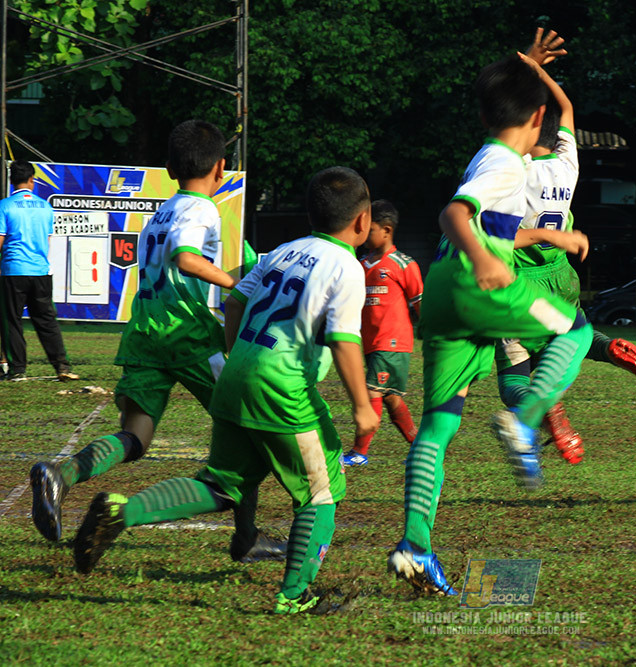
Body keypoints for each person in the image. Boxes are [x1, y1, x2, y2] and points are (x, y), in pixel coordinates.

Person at [73, 166, 379, 615]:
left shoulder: (283, 251)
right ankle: (294, 596)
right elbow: (346, 340)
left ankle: (123, 510)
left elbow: (236, 300)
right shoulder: (347, 268)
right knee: (322, 491)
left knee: (220, 484)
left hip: (236, 378)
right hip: (282, 387)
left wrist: (237, 358)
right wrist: (362, 405)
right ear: (363, 220)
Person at [387, 52, 594, 596]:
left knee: (439, 425)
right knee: (577, 333)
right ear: (536, 119)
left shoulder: (504, 159)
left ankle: (415, 545)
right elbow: (455, 213)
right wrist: (482, 261)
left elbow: (492, 223)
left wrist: (548, 236)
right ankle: (524, 419)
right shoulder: (502, 163)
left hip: (442, 297)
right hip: (473, 284)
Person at [30, 120, 280, 563]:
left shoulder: (158, 215)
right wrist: (235, 287)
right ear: (222, 167)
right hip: (187, 335)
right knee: (247, 429)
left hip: (145, 331)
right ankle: (246, 537)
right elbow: (187, 258)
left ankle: (60, 474)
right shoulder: (203, 209)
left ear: (168, 168)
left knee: (136, 436)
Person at [496, 31, 636, 466]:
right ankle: (609, 349)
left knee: (513, 374)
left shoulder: (514, 169)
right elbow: (567, 108)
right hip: (561, 277)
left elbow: (504, 128)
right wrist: (538, 71)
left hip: (521, 280)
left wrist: (523, 69)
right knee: (574, 334)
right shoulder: (568, 165)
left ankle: (541, 413)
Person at [342, 199, 423, 467]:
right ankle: (420, 448)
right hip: (370, 341)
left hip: (393, 341)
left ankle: (359, 452)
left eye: (371, 229)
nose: (364, 234)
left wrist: (432, 335)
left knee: (371, 392)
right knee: (391, 397)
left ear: (387, 230)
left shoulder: (403, 264)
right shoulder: (361, 264)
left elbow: (419, 303)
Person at [0, 159, 77, 382]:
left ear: (11, 180)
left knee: (11, 320)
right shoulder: (45, 206)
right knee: (46, 320)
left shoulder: (5, 206)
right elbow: (47, 239)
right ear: (32, 180)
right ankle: (61, 365)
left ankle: (18, 370)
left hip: (14, 270)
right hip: (41, 270)